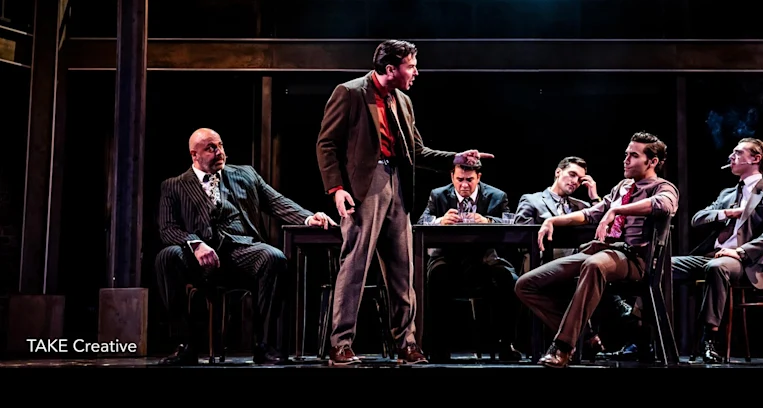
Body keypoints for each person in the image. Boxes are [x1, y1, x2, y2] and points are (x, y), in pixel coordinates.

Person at [316, 39, 494, 365]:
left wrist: (456, 157)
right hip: (363, 189)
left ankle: (407, 344)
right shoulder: (351, 93)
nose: (415, 72)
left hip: (398, 185)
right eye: (411, 66)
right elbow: (326, 144)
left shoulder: (402, 101)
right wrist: (337, 189)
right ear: (390, 69)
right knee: (355, 267)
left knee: (403, 271)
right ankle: (340, 345)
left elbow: (418, 152)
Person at [154, 127, 336, 366]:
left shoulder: (245, 174)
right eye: (210, 148)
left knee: (274, 257)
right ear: (194, 155)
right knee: (167, 256)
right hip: (198, 259)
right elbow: (168, 229)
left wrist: (308, 218)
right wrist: (196, 244)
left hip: (241, 251)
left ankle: (265, 346)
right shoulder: (174, 186)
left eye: (220, 146)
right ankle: (184, 345)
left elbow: (276, 202)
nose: (219, 152)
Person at [515, 132, 679, 368]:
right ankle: (584, 337)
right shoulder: (622, 187)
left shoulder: (663, 187)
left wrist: (618, 210)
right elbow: (591, 213)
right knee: (526, 284)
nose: (626, 160)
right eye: (626, 155)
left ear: (652, 162)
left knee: (594, 264)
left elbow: (664, 205)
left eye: (634, 156)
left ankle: (562, 347)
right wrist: (552, 221)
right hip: (602, 251)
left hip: (635, 259)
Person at [671, 137, 763, 363]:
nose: (731, 157)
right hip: (713, 255)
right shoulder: (727, 194)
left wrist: (741, 252)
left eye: (738, 153)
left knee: (718, 267)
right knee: (661, 266)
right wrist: (726, 213)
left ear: (755, 159)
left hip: (744, 261)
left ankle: (710, 339)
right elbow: (697, 219)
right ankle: (643, 332)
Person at [515, 156, 637, 359]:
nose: (574, 181)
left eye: (580, 179)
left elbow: (603, 228)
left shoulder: (582, 206)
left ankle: (596, 334)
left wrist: (595, 197)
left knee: (596, 270)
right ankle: (586, 336)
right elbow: (521, 237)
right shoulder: (532, 199)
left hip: (578, 265)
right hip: (544, 261)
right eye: (572, 174)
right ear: (558, 172)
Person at [416, 162, 522, 362]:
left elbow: (512, 223)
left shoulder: (496, 196)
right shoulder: (438, 195)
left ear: (478, 177)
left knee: (509, 279)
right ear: (452, 177)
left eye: (469, 180)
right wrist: (439, 221)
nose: (464, 185)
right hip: (447, 257)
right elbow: (421, 222)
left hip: (483, 259)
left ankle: (506, 344)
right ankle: (438, 347)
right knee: (437, 276)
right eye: (460, 180)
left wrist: (488, 221)